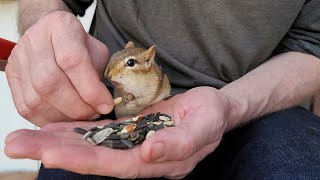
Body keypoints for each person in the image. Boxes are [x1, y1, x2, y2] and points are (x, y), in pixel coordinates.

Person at [4, 0, 320, 179]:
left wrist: (229, 106)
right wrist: (43, 28)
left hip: (255, 101)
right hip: (110, 112)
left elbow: (312, 47)